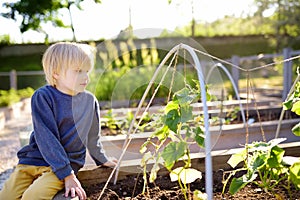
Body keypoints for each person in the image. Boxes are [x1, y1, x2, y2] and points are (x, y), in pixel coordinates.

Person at [0, 42, 118, 200]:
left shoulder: (90, 101)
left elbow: (92, 138)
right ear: (56, 74)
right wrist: (68, 175)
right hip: (33, 160)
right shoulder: (43, 97)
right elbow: (46, 137)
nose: (86, 77)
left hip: (66, 165)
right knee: (6, 196)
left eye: (87, 71)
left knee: (32, 196)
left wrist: (102, 160)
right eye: (78, 71)